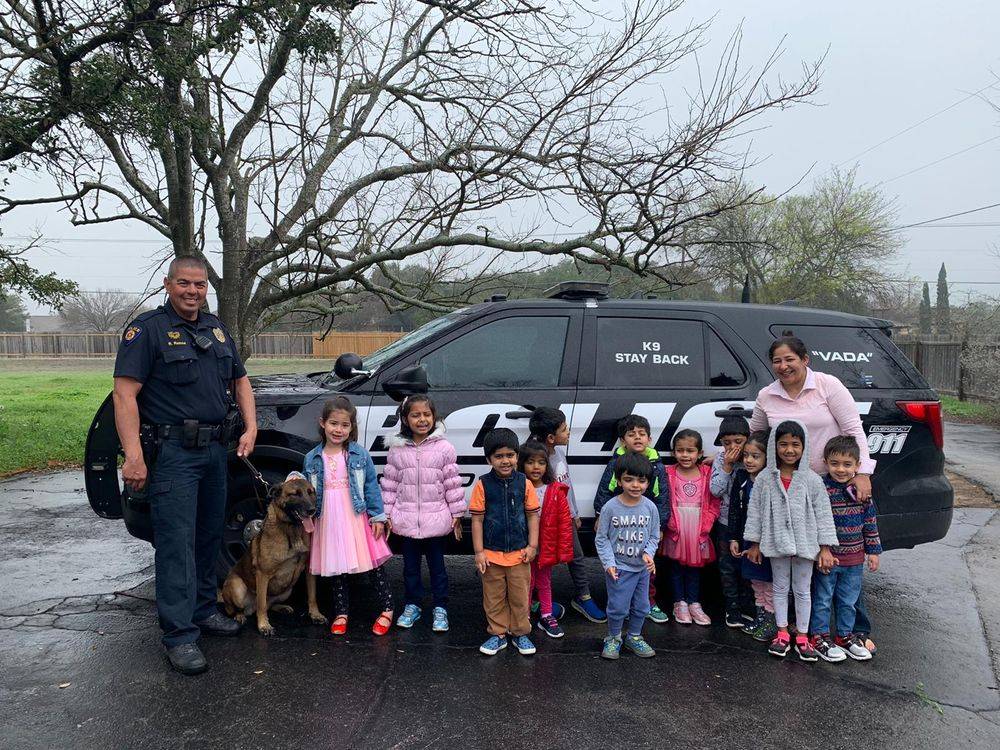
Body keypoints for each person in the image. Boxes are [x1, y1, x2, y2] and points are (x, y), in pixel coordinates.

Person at [113, 255, 257, 676]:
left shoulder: (216, 329)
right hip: (173, 453)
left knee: (208, 536)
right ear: (167, 283)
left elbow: (240, 380)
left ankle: (203, 610)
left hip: (215, 451)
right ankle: (179, 635)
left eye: (199, 284)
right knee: (176, 544)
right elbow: (124, 395)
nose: (192, 291)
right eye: (184, 283)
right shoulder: (147, 331)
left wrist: (251, 427)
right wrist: (134, 456)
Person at [749, 332, 879, 649]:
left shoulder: (827, 385)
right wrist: (725, 456)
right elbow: (756, 434)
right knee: (801, 557)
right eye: (777, 361)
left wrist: (862, 472)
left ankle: (856, 630)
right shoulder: (767, 396)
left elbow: (853, 429)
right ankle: (808, 630)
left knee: (841, 554)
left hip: (831, 483)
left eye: (789, 359)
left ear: (805, 360)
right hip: (790, 487)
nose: (783, 366)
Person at [744, 420, 839, 662]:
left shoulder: (812, 480)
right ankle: (782, 632)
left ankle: (803, 636)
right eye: (783, 444)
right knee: (779, 587)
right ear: (774, 446)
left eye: (795, 444)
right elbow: (755, 512)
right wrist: (754, 542)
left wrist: (825, 548)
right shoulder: (765, 478)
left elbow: (823, 514)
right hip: (776, 543)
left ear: (804, 447)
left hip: (806, 544)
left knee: (802, 590)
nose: (789, 450)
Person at [303, 397, 393, 637]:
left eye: (345, 425)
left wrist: (377, 516)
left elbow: (371, 485)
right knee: (337, 567)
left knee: (373, 565)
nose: (338, 430)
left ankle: (387, 608)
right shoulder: (312, 458)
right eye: (334, 423)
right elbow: (306, 489)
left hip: (356, 517)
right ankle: (341, 612)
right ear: (322, 423)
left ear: (351, 427)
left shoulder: (358, 454)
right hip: (328, 519)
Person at [381, 395, 465, 633]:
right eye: (415, 415)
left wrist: (457, 513)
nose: (422, 419)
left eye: (427, 414)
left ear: (434, 417)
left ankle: (440, 607)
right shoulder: (397, 450)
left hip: (436, 521)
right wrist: (387, 514)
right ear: (405, 419)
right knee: (410, 569)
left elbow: (452, 483)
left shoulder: (444, 448)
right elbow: (390, 484)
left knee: (438, 569)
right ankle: (413, 605)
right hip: (407, 521)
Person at [529, 407, 606, 623]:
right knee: (538, 562)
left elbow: (567, 486)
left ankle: (584, 596)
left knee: (577, 556)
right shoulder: (536, 462)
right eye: (564, 429)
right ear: (551, 438)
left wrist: (574, 514)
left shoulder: (559, 453)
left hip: (564, 518)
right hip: (542, 521)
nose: (569, 432)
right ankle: (534, 600)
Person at [809, 436, 883, 662]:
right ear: (825, 463)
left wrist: (873, 552)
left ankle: (844, 636)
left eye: (847, 464)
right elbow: (815, 521)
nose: (840, 469)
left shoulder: (861, 491)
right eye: (835, 463)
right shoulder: (821, 488)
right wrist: (821, 550)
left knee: (848, 600)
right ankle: (819, 636)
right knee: (822, 599)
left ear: (857, 466)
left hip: (854, 559)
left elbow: (870, 522)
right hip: (828, 558)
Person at [470, 428, 540, 656]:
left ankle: (520, 633)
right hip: (491, 556)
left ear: (517, 456)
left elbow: (532, 516)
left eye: (510, 455)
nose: (505, 460)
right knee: (493, 598)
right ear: (488, 459)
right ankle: (498, 634)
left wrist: (532, 546)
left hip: (520, 555)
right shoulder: (482, 485)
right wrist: (479, 552)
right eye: (498, 456)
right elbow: (477, 520)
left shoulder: (524, 483)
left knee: (520, 598)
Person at [594, 414, 670, 624]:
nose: (637, 437)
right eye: (631, 434)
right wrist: (600, 514)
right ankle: (621, 605)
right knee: (620, 566)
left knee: (647, 566)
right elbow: (605, 489)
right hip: (622, 524)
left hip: (645, 524)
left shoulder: (656, 465)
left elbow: (662, 496)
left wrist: (661, 525)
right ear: (622, 441)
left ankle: (648, 602)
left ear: (649, 439)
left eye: (642, 434)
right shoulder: (616, 463)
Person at [595, 453, 660, 660]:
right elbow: (602, 539)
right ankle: (614, 637)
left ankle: (634, 636)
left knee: (642, 606)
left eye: (641, 480)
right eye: (629, 479)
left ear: (648, 482)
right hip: (619, 569)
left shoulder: (650, 507)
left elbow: (654, 536)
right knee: (618, 608)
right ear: (619, 480)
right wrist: (609, 563)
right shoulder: (610, 507)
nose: (635, 485)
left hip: (642, 570)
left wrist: (649, 554)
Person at [662, 429, 720, 626]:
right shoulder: (668, 472)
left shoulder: (707, 473)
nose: (685, 455)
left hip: (698, 526)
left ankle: (694, 603)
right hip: (677, 527)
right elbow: (663, 499)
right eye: (680, 451)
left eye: (690, 451)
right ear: (673, 453)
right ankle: (679, 603)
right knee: (676, 567)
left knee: (695, 569)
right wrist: (669, 522)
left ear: (700, 453)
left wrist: (708, 523)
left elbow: (714, 501)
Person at [519, 441, 575, 638]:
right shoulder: (518, 487)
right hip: (523, 546)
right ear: (522, 464)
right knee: (526, 581)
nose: (536, 467)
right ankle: (523, 616)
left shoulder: (555, 490)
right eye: (530, 462)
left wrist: (564, 550)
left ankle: (546, 614)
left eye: (541, 463)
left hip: (546, 546)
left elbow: (564, 523)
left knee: (544, 581)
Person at [725, 431, 777, 642]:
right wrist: (734, 538)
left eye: (755, 456)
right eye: (746, 455)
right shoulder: (742, 478)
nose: (748, 460)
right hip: (747, 538)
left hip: (768, 542)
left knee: (770, 582)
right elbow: (734, 510)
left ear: (768, 458)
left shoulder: (772, 480)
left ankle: (772, 621)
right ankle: (760, 616)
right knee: (756, 581)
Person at [709, 414, 755, 628]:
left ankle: (749, 605)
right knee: (727, 567)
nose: (733, 447)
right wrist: (727, 466)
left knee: (748, 566)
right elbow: (715, 490)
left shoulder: (753, 458)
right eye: (727, 443)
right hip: (726, 523)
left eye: (738, 441)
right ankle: (732, 608)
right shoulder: (721, 459)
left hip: (750, 524)